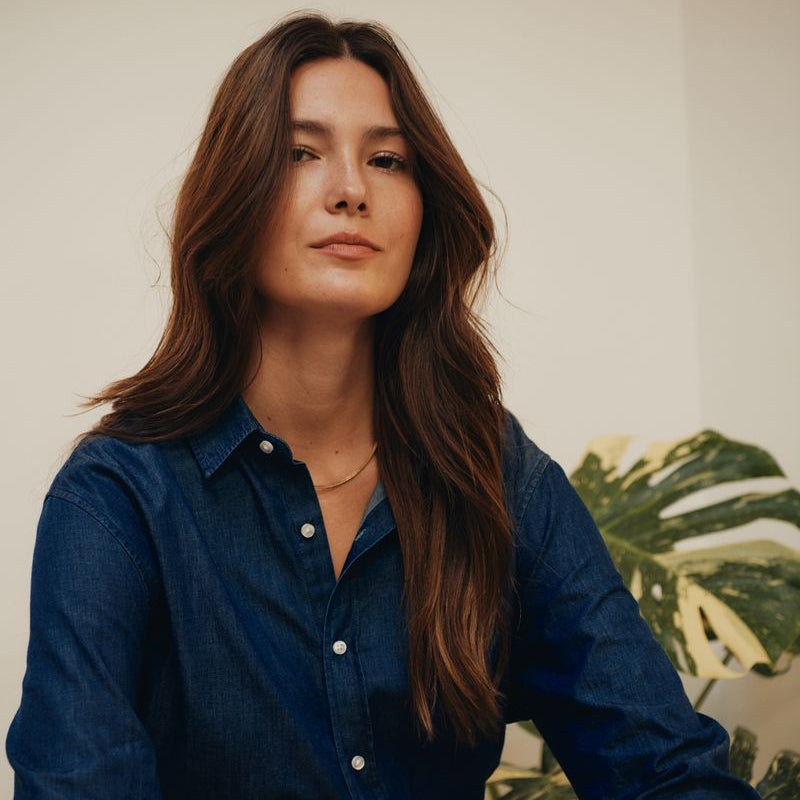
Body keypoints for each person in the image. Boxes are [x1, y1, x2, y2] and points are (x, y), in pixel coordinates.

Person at [5, 12, 761, 800]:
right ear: (234, 194)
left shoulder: (493, 472)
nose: (352, 190)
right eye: (301, 153)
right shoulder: (121, 496)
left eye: (388, 160)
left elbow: (664, 768)